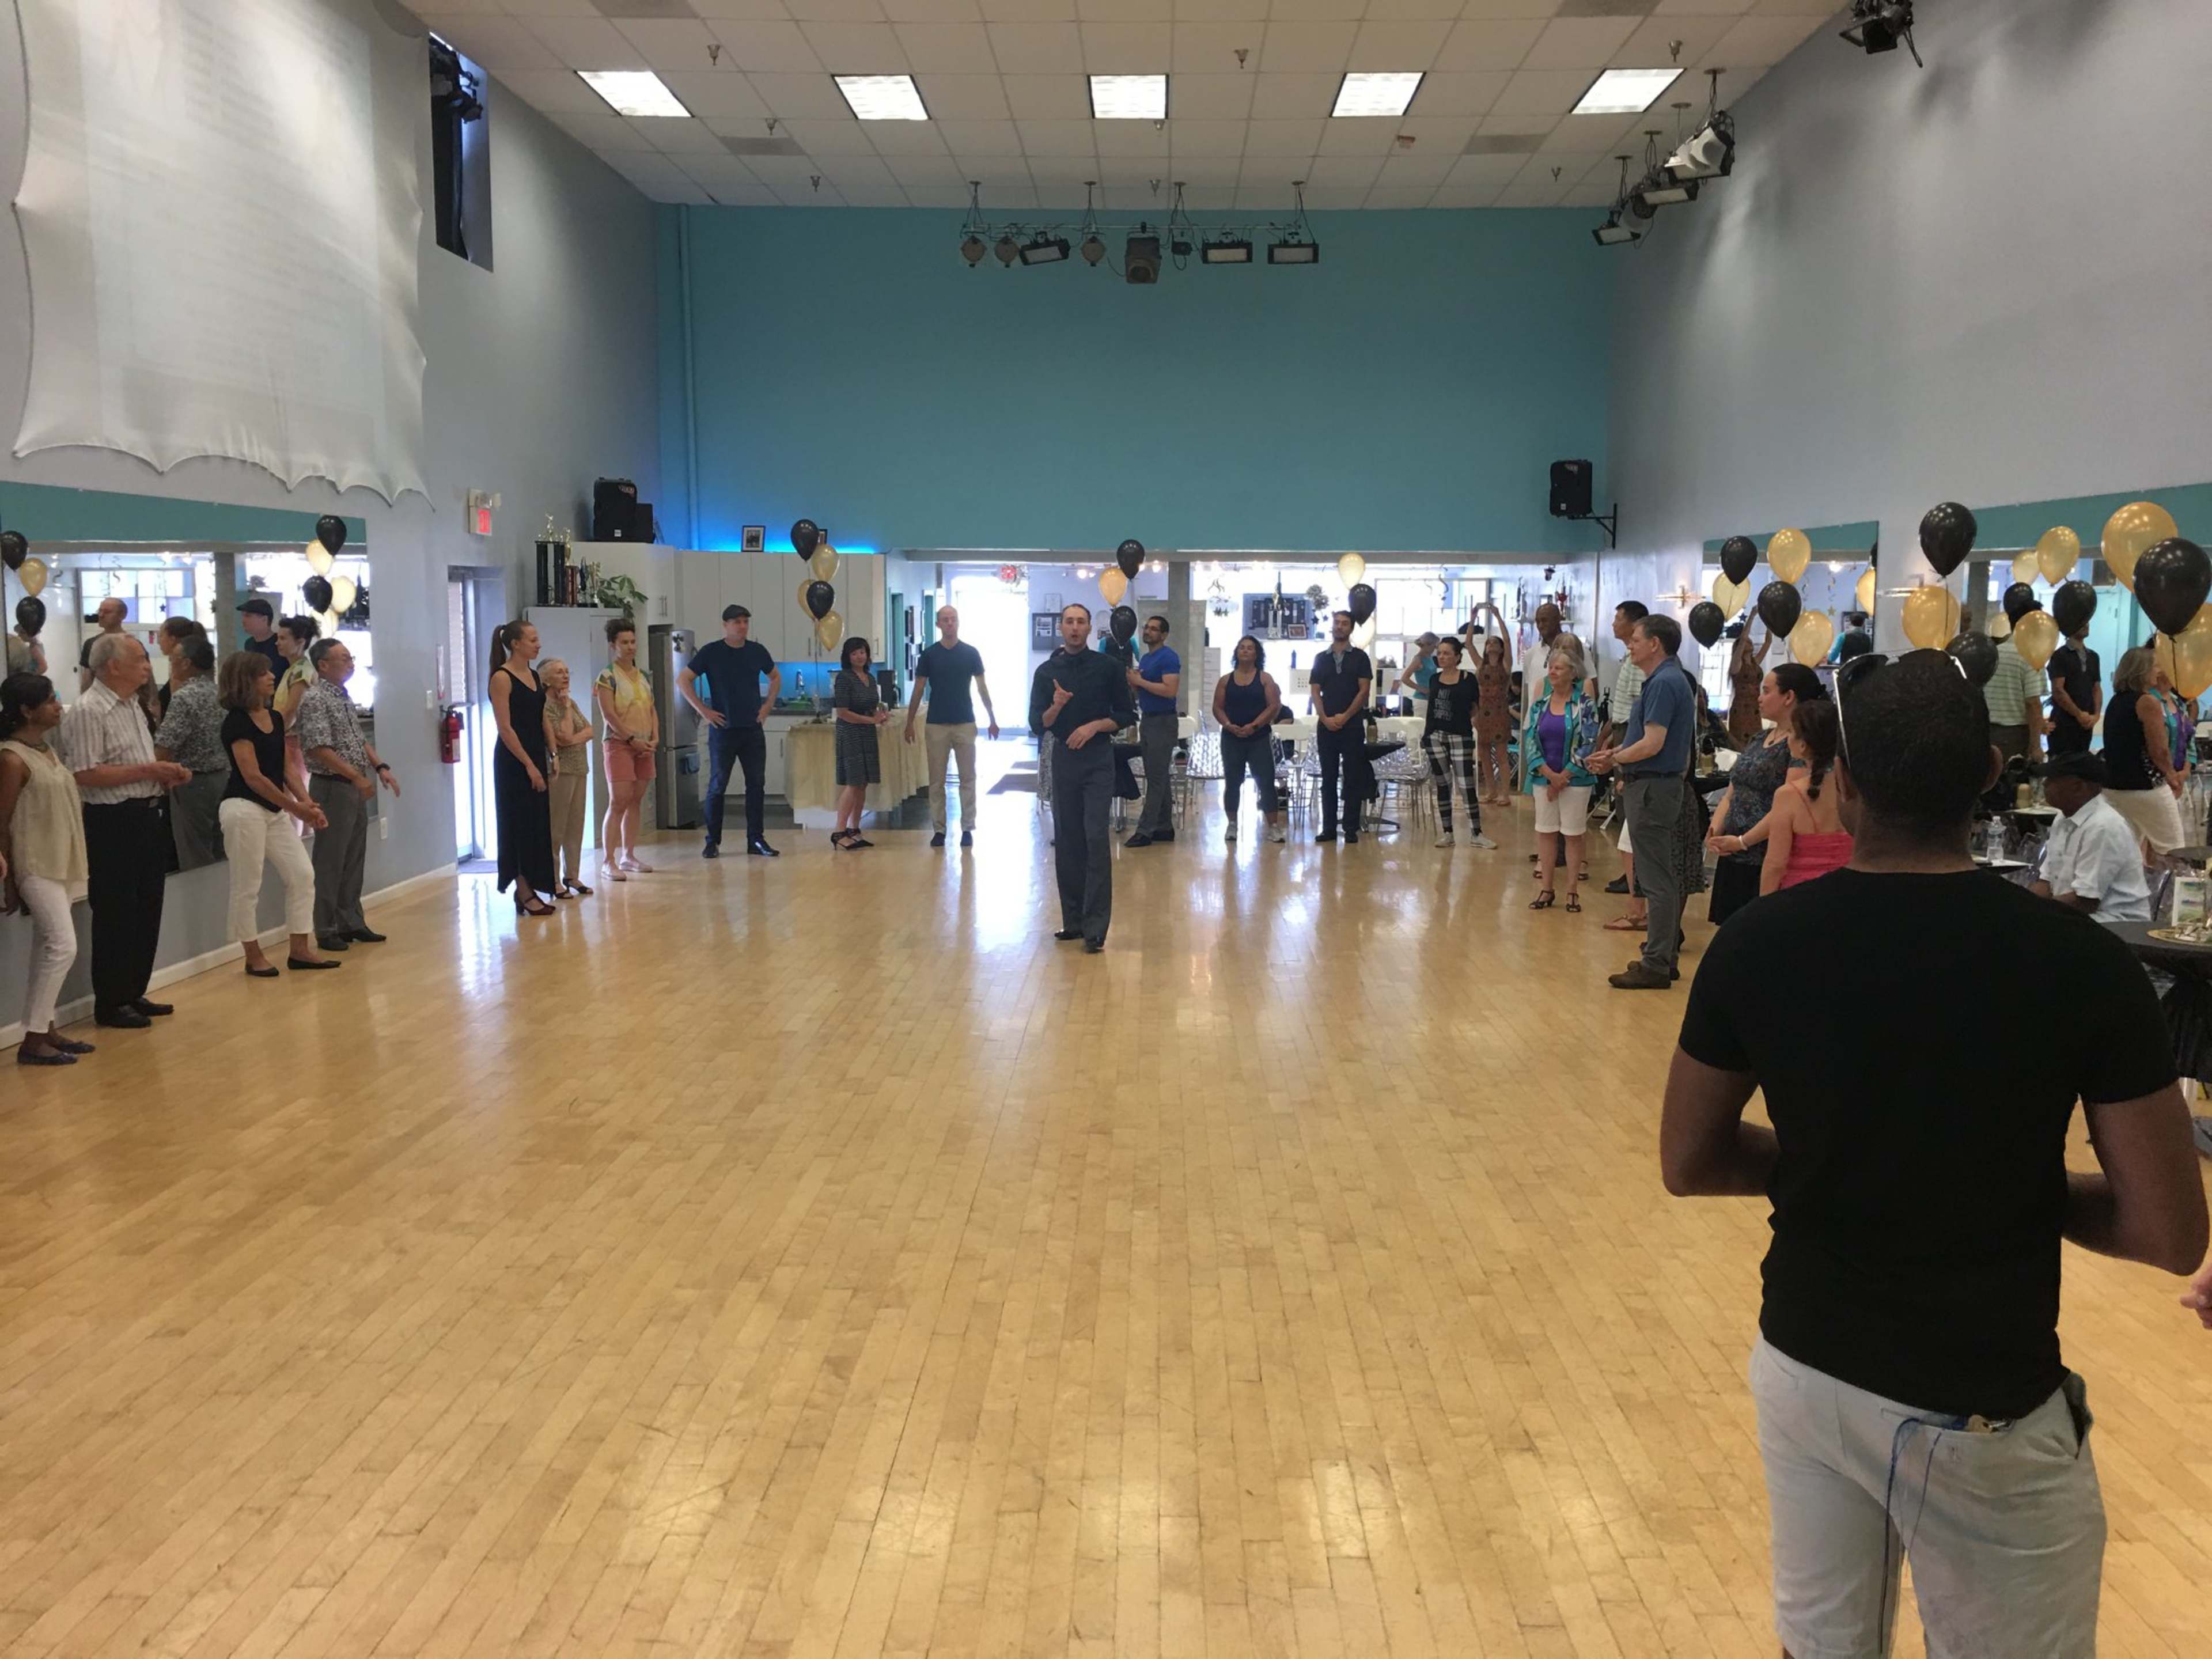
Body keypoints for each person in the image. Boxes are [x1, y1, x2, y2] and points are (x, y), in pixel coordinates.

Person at [1662, 649, 2206, 1659]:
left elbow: (1689, 1160)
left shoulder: (1759, 945)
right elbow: (2170, 1231)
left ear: (1851, 783)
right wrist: (2000, 1188)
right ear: (1993, 778)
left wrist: (1844, 1163)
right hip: (1978, 1400)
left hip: (1805, 1364)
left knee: (1821, 1644)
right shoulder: (2083, 966)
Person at [54, 634, 190, 1028]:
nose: (148, 666)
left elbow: (134, 763)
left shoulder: (133, 706)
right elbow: (85, 773)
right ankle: (111, 1002)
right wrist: (150, 771)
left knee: (148, 906)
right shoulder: (88, 710)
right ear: (112, 666)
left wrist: (166, 776)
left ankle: (133, 991)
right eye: (140, 659)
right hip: (113, 821)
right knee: (117, 911)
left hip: (147, 813)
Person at [1588, 613, 1696, 990]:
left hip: (1653, 788)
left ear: (1655, 644)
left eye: (1635, 639)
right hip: (1651, 784)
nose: (1629, 644)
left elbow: (1654, 743)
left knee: (1655, 880)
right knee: (1657, 877)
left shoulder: (1665, 682)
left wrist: (1616, 759)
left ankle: (1656, 963)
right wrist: (1616, 753)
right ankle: (1661, 956)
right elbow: (1646, 739)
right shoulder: (1666, 679)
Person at [214, 650, 338, 978]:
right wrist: (295, 807)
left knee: (302, 874)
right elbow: (253, 777)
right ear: (246, 681)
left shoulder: (276, 717)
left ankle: (299, 950)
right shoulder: (236, 723)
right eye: (264, 674)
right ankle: (252, 955)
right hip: (242, 809)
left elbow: (285, 768)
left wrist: (307, 803)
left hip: (273, 809)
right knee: (247, 884)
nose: (272, 677)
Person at [1029, 604, 1134, 953]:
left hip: (1099, 759)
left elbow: (1125, 714)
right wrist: (1057, 706)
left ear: (1090, 628)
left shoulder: (1108, 668)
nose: (1075, 628)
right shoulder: (1046, 673)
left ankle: (1096, 929)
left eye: (1081, 622)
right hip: (1064, 759)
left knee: (1095, 837)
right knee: (1068, 839)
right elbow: (1037, 724)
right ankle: (1073, 921)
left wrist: (1093, 726)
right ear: (1061, 628)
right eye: (1069, 622)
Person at [0, 673, 93, 1065]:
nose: (58, 705)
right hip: (35, 862)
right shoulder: (11, 758)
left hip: (61, 858)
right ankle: (34, 1038)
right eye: (50, 700)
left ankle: (44, 1028)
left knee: (47, 945)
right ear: (26, 709)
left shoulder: (45, 749)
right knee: (63, 945)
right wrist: (8, 881)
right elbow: (1, 820)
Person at [296, 638, 399, 950]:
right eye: (343, 658)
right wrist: (356, 777)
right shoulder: (315, 699)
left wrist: (379, 766)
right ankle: (326, 928)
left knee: (353, 858)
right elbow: (318, 748)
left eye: (350, 657)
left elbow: (357, 740)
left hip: (353, 786)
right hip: (332, 787)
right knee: (330, 859)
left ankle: (351, 921)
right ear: (324, 665)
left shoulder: (342, 697)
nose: (351, 662)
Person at [1703, 664, 1824, 924]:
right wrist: (1716, 828)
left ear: (1789, 697)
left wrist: (1743, 840)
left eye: (1767, 691)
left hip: (1763, 855)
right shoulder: (1760, 738)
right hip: (1734, 852)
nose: (1759, 697)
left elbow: (1787, 807)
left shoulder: (1799, 747)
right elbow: (1733, 791)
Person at [681, 604, 779, 859]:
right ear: (725, 625)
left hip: (752, 729)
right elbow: (684, 680)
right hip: (723, 729)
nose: (743, 626)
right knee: (718, 786)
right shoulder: (712, 652)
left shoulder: (757, 651)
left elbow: (775, 677)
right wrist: (704, 711)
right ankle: (712, 841)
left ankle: (755, 839)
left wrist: (767, 706)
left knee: (756, 786)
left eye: (746, 621)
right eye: (737, 622)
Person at [903, 605, 998, 849]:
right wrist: (910, 722)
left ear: (958, 623)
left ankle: (968, 827)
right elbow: (919, 689)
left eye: (953, 620)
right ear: (938, 625)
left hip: (965, 722)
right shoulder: (929, 655)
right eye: (945, 620)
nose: (949, 624)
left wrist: (992, 718)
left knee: (968, 778)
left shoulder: (970, 653)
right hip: (936, 724)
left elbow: (982, 688)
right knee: (937, 781)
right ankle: (939, 829)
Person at [2033, 752, 2153, 924]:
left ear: (2078, 787)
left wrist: (2035, 911)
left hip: (2116, 923)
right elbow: (2045, 881)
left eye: (2052, 780)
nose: (2045, 784)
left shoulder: (2103, 826)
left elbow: (2085, 902)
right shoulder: (2063, 817)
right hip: (2076, 916)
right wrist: (2023, 906)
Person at [487, 620, 557, 916]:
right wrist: (529, 765)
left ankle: (531, 885)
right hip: (514, 761)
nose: (538, 644)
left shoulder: (533, 675)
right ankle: (523, 891)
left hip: (535, 755)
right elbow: (505, 728)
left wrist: (552, 751)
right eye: (532, 639)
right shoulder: (501, 678)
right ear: (516, 644)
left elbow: (542, 716)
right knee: (517, 825)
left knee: (536, 823)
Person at [1523, 645, 1600, 911]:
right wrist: (1548, 774)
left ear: (1573, 673)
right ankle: (1546, 889)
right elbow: (1530, 738)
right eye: (1551, 667)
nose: (1552, 672)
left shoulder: (1585, 704)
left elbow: (1589, 741)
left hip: (1575, 781)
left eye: (1558, 668)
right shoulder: (1541, 704)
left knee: (1573, 834)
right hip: (1544, 779)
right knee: (1545, 832)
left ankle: (1572, 892)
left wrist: (1564, 776)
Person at [1755, 698, 1852, 895]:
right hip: (1849, 893)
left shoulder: (1789, 795)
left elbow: (1776, 864)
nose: (1788, 737)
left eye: (1791, 732)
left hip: (1800, 897)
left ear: (1803, 746)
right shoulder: (1856, 790)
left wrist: (1763, 907)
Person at [2101, 646, 2187, 856]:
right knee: (2174, 850)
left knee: (2125, 851)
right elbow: (2159, 749)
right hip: (2146, 786)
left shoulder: (2115, 702)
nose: (2158, 671)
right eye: (2155, 666)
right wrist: (2171, 775)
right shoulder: (2147, 702)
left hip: (2114, 787)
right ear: (2142, 671)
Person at [593, 617, 658, 880]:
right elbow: (609, 714)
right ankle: (608, 860)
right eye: (624, 643)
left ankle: (629, 855)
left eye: (633, 642)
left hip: (645, 744)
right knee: (618, 800)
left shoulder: (642, 676)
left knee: (635, 800)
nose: (631, 647)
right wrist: (631, 739)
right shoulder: (607, 677)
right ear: (613, 646)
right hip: (620, 744)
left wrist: (655, 738)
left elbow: (652, 709)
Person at [154, 635, 226, 868]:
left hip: (192, 784)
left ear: (186, 663)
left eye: (173, 659)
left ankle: (201, 903)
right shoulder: (221, 694)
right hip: (224, 778)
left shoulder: (184, 698)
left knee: (195, 853)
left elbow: (166, 745)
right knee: (221, 851)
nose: (170, 664)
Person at [1420, 635, 1495, 850]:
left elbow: (1475, 707)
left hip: (1460, 735)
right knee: (1443, 784)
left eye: (1446, 653)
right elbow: (1432, 709)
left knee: (1466, 784)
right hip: (1435, 736)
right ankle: (1447, 832)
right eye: (1440, 653)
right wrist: (1428, 736)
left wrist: (1471, 725)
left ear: (1457, 657)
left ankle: (1476, 833)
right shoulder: (1434, 679)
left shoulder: (1468, 679)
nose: (1442, 657)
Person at [1308, 609, 1373, 844]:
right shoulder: (1321, 658)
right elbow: (1315, 690)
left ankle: (1351, 828)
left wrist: (1345, 716)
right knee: (1328, 778)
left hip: (1352, 725)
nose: (1340, 627)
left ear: (1351, 628)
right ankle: (1328, 828)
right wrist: (1324, 718)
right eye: (1337, 623)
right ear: (1332, 627)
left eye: (1345, 623)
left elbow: (1364, 691)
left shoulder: (1360, 658)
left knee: (1353, 777)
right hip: (1326, 727)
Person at [1212, 635, 1285, 844]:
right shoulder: (1226, 680)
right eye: (1242, 648)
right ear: (1236, 652)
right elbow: (1217, 707)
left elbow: (1274, 706)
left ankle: (1273, 826)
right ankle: (1232, 824)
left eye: (1250, 648)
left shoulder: (1265, 679)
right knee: (1233, 782)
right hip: (1231, 738)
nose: (1245, 651)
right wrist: (1228, 725)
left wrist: (1254, 726)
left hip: (1259, 738)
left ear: (1256, 654)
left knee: (1266, 782)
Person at [1126, 614, 1183, 849]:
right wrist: (1135, 684)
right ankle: (1163, 826)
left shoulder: (1168, 657)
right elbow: (1146, 692)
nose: (1148, 632)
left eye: (1153, 629)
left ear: (1164, 634)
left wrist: (1140, 683)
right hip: (1148, 720)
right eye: (1146, 628)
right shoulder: (1147, 659)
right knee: (1158, 776)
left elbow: (1170, 690)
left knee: (1156, 779)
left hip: (1163, 722)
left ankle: (1145, 830)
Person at [540, 657, 594, 899]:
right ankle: (552, 878)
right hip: (559, 772)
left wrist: (570, 713)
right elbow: (562, 735)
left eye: (566, 671)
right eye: (559, 673)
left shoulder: (569, 703)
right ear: (545, 679)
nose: (565, 676)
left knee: (576, 825)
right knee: (557, 826)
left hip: (580, 768)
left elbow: (590, 730)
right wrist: (571, 733)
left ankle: (572, 874)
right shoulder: (545, 706)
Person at [831, 637, 891, 850]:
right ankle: (839, 831)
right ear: (848, 657)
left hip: (867, 732)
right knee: (854, 782)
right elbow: (843, 712)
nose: (860, 656)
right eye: (855, 653)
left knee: (863, 783)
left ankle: (854, 829)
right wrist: (871, 720)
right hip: (850, 732)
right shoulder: (844, 679)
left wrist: (880, 716)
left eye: (863, 652)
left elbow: (872, 706)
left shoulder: (870, 678)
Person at [1985, 607, 2051, 770]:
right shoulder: (2030, 657)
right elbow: (2033, 703)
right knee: (2014, 787)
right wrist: (2036, 746)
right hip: (2014, 735)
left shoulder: (1992, 653)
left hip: (1986, 731)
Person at [1472, 619, 1514, 806]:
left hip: (1499, 712)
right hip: (1482, 711)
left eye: (1495, 643)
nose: (1491, 645)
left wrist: (1497, 616)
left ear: (1500, 648)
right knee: (1484, 754)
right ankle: (1491, 791)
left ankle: (1504, 794)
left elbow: (1507, 639)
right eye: (1489, 643)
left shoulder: (1505, 665)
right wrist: (1474, 617)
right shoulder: (1481, 664)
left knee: (1501, 754)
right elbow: (1468, 644)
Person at [2047, 616, 2101, 757]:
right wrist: (2078, 714)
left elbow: (2096, 688)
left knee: (2082, 763)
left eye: (2087, 621)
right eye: (2082, 621)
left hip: (2086, 725)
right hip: (2064, 723)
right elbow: (2058, 690)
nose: (2086, 624)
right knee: (2062, 765)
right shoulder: (2060, 656)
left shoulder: (2093, 657)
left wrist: (2095, 716)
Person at [1726, 623, 1770, 748]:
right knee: (1741, 742)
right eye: (1746, 642)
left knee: (1756, 742)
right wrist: (1752, 616)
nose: (1749, 642)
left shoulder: (1755, 663)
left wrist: (1769, 621)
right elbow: (1743, 639)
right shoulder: (1737, 665)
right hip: (1741, 708)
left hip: (1754, 708)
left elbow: (1768, 643)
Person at [77, 596, 127, 692]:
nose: (101, 615)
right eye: (100, 611)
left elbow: (145, 677)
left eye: (107, 612)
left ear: (122, 615)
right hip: (100, 698)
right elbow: (88, 678)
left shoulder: (133, 645)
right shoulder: (91, 643)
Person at [235, 596, 284, 681]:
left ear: (264, 619)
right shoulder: (249, 644)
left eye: (248, 616)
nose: (243, 620)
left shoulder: (280, 643)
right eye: (243, 616)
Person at [7, 595, 48, 677]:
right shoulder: (33, 646)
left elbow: (43, 667)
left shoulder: (34, 648)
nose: (19, 635)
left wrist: (29, 679)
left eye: (22, 633)